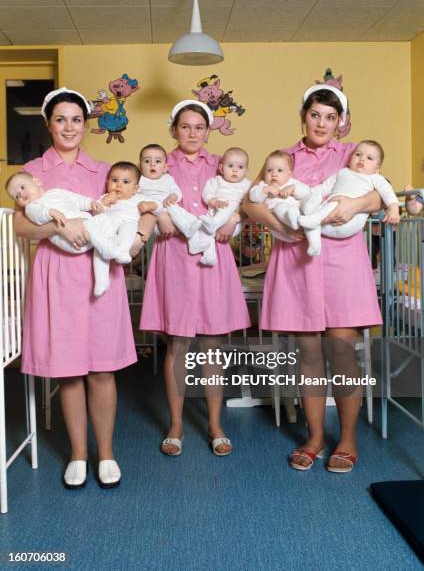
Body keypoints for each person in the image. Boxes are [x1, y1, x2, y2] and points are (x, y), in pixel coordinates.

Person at [243, 84, 383, 473]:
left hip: (344, 266)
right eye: (315, 114)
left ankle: (349, 438)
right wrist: (277, 226)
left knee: (341, 354)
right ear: (303, 115)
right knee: (308, 355)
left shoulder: (353, 154)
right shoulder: (283, 157)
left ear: (341, 122)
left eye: (331, 117)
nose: (322, 123)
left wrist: (356, 203)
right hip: (297, 265)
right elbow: (251, 200)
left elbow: (379, 194)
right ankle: (316, 436)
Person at [14, 87, 137, 489]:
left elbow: (131, 207)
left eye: (77, 119)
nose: (69, 126)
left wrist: (136, 237)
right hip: (56, 274)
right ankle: (78, 455)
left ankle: (106, 453)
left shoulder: (103, 169)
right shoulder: (32, 171)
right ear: (48, 123)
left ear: (87, 125)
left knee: (102, 368)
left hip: (98, 274)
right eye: (61, 119)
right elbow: (20, 226)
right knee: (68, 371)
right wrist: (60, 227)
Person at [139, 99, 251, 456]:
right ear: (174, 129)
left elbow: (243, 198)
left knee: (212, 344)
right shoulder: (159, 163)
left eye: (199, 127)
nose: (192, 133)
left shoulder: (220, 164)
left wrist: (235, 220)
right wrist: (158, 217)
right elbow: (135, 196)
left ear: (208, 130)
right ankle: (175, 424)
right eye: (185, 126)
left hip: (212, 259)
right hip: (173, 258)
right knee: (178, 344)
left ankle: (215, 424)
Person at [7, 162, 144, 297]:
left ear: (36, 181)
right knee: (96, 232)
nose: (21, 194)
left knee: (104, 221)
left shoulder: (54, 192)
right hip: (70, 242)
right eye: (17, 196)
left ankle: (102, 279)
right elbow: (36, 216)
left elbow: (75, 199)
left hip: (89, 230)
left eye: (23, 187)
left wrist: (90, 203)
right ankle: (109, 249)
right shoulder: (32, 207)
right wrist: (52, 215)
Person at [297, 140, 400, 256]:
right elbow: (323, 188)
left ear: (377, 169)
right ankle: (314, 242)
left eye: (369, 158)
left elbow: (388, 192)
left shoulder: (375, 178)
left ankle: (312, 220)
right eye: (358, 154)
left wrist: (394, 208)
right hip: (327, 222)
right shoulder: (342, 172)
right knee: (315, 201)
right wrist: (306, 195)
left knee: (334, 203)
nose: (362, 159)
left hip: (350, 221)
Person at [189, 146, 251, 266]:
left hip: (234, 221)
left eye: (240, 167)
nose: (235, 170)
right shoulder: (216, 181)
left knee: (227, 209)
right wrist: (213, 202)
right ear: (221, 168)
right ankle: (209, 256)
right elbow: (207, 194)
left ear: (246, 171)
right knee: (209, 238)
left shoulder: (247, 185)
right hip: (215, 212)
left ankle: (212, 226)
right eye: (230, 166)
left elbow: (251, 202)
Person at [249, 150, 310, 230]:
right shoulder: (264, 185)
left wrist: (293, 188)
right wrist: (265, 190)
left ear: (289, 173)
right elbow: (252, 197)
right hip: (277, 223)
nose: (274, 174)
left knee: (307, 202)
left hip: (299, 216)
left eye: (279, 170)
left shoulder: (292, 182)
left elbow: (307, 192)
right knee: (280, 208)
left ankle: (297, 217)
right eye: (269, 170)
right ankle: (291, 219)